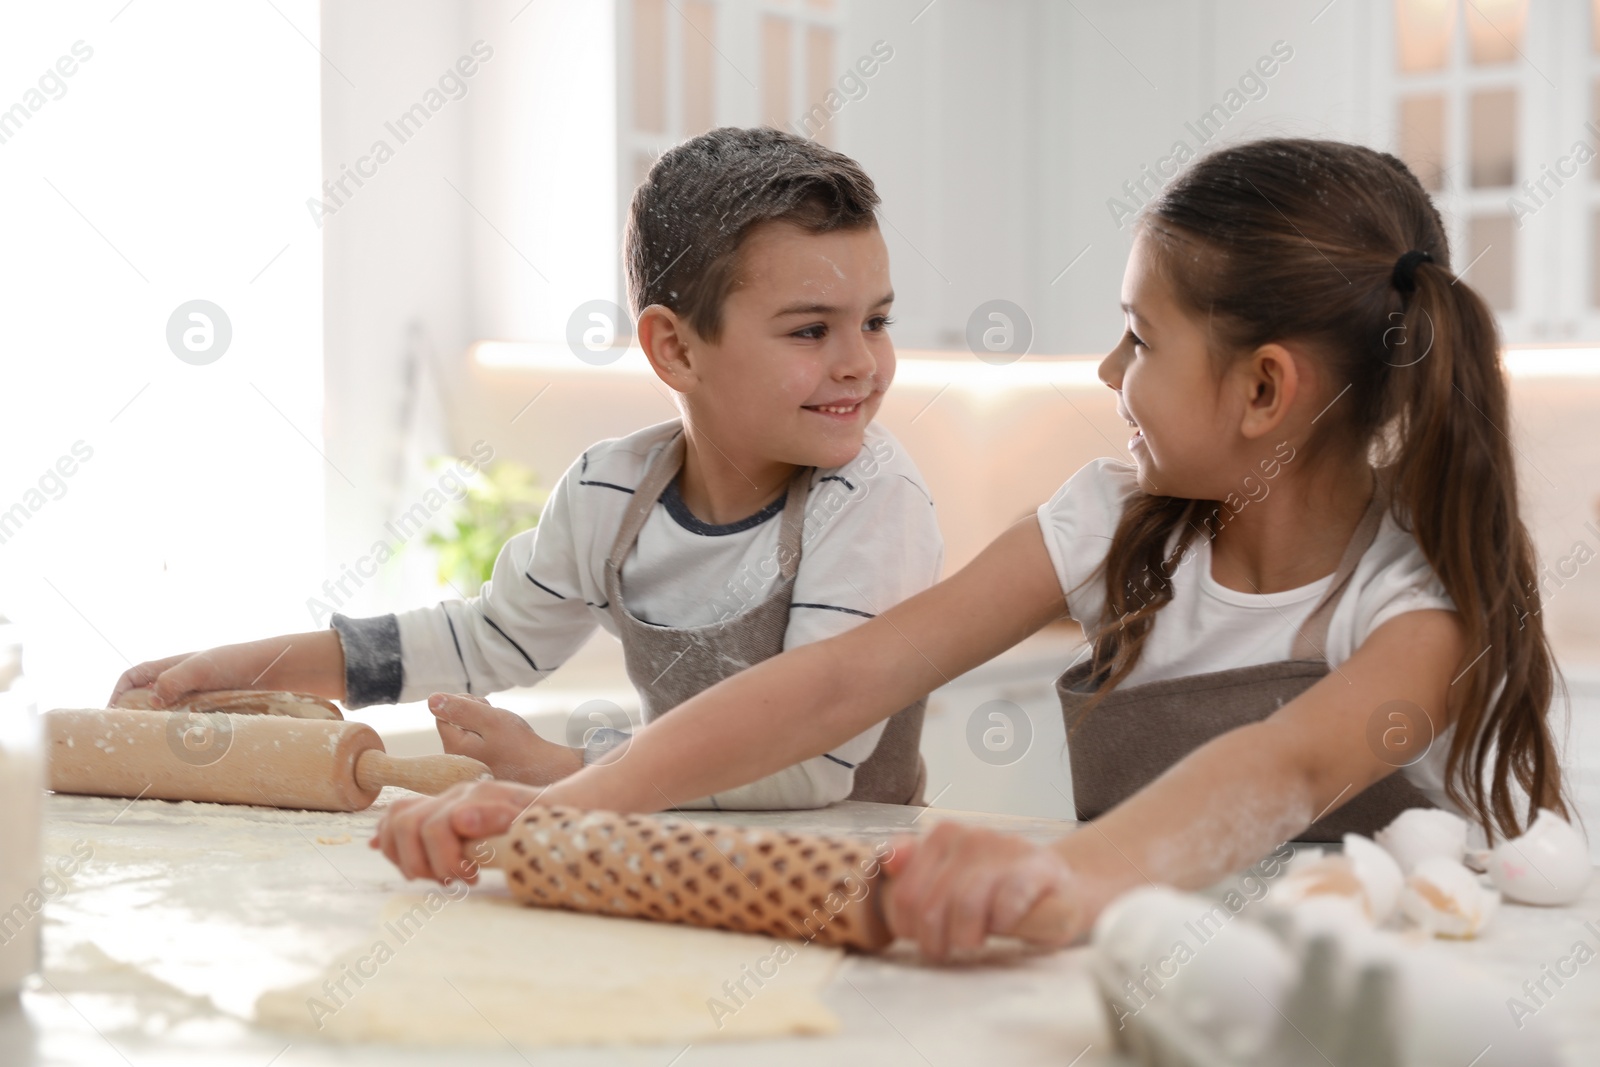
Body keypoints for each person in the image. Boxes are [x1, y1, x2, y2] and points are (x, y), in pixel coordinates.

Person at [374, 138, 1571, 959]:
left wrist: (1066, 877)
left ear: (1264, 389)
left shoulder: (1414, 606)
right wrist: (577, 803)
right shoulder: (1107, 521)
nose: (1109, 375)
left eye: (1137, 338)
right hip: (1125, 971)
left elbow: (1282, 771)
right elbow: (848, 675)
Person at [109, 126, 943, 810]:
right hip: (667, 851)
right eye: (810, 330)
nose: (860, 363)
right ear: (675, 347)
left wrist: (566, 764)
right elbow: (484, 639)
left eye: (875, 321)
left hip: (851, 882)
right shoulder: (612, 492)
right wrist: (238, 667)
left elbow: (811, 766)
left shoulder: (870, 502)